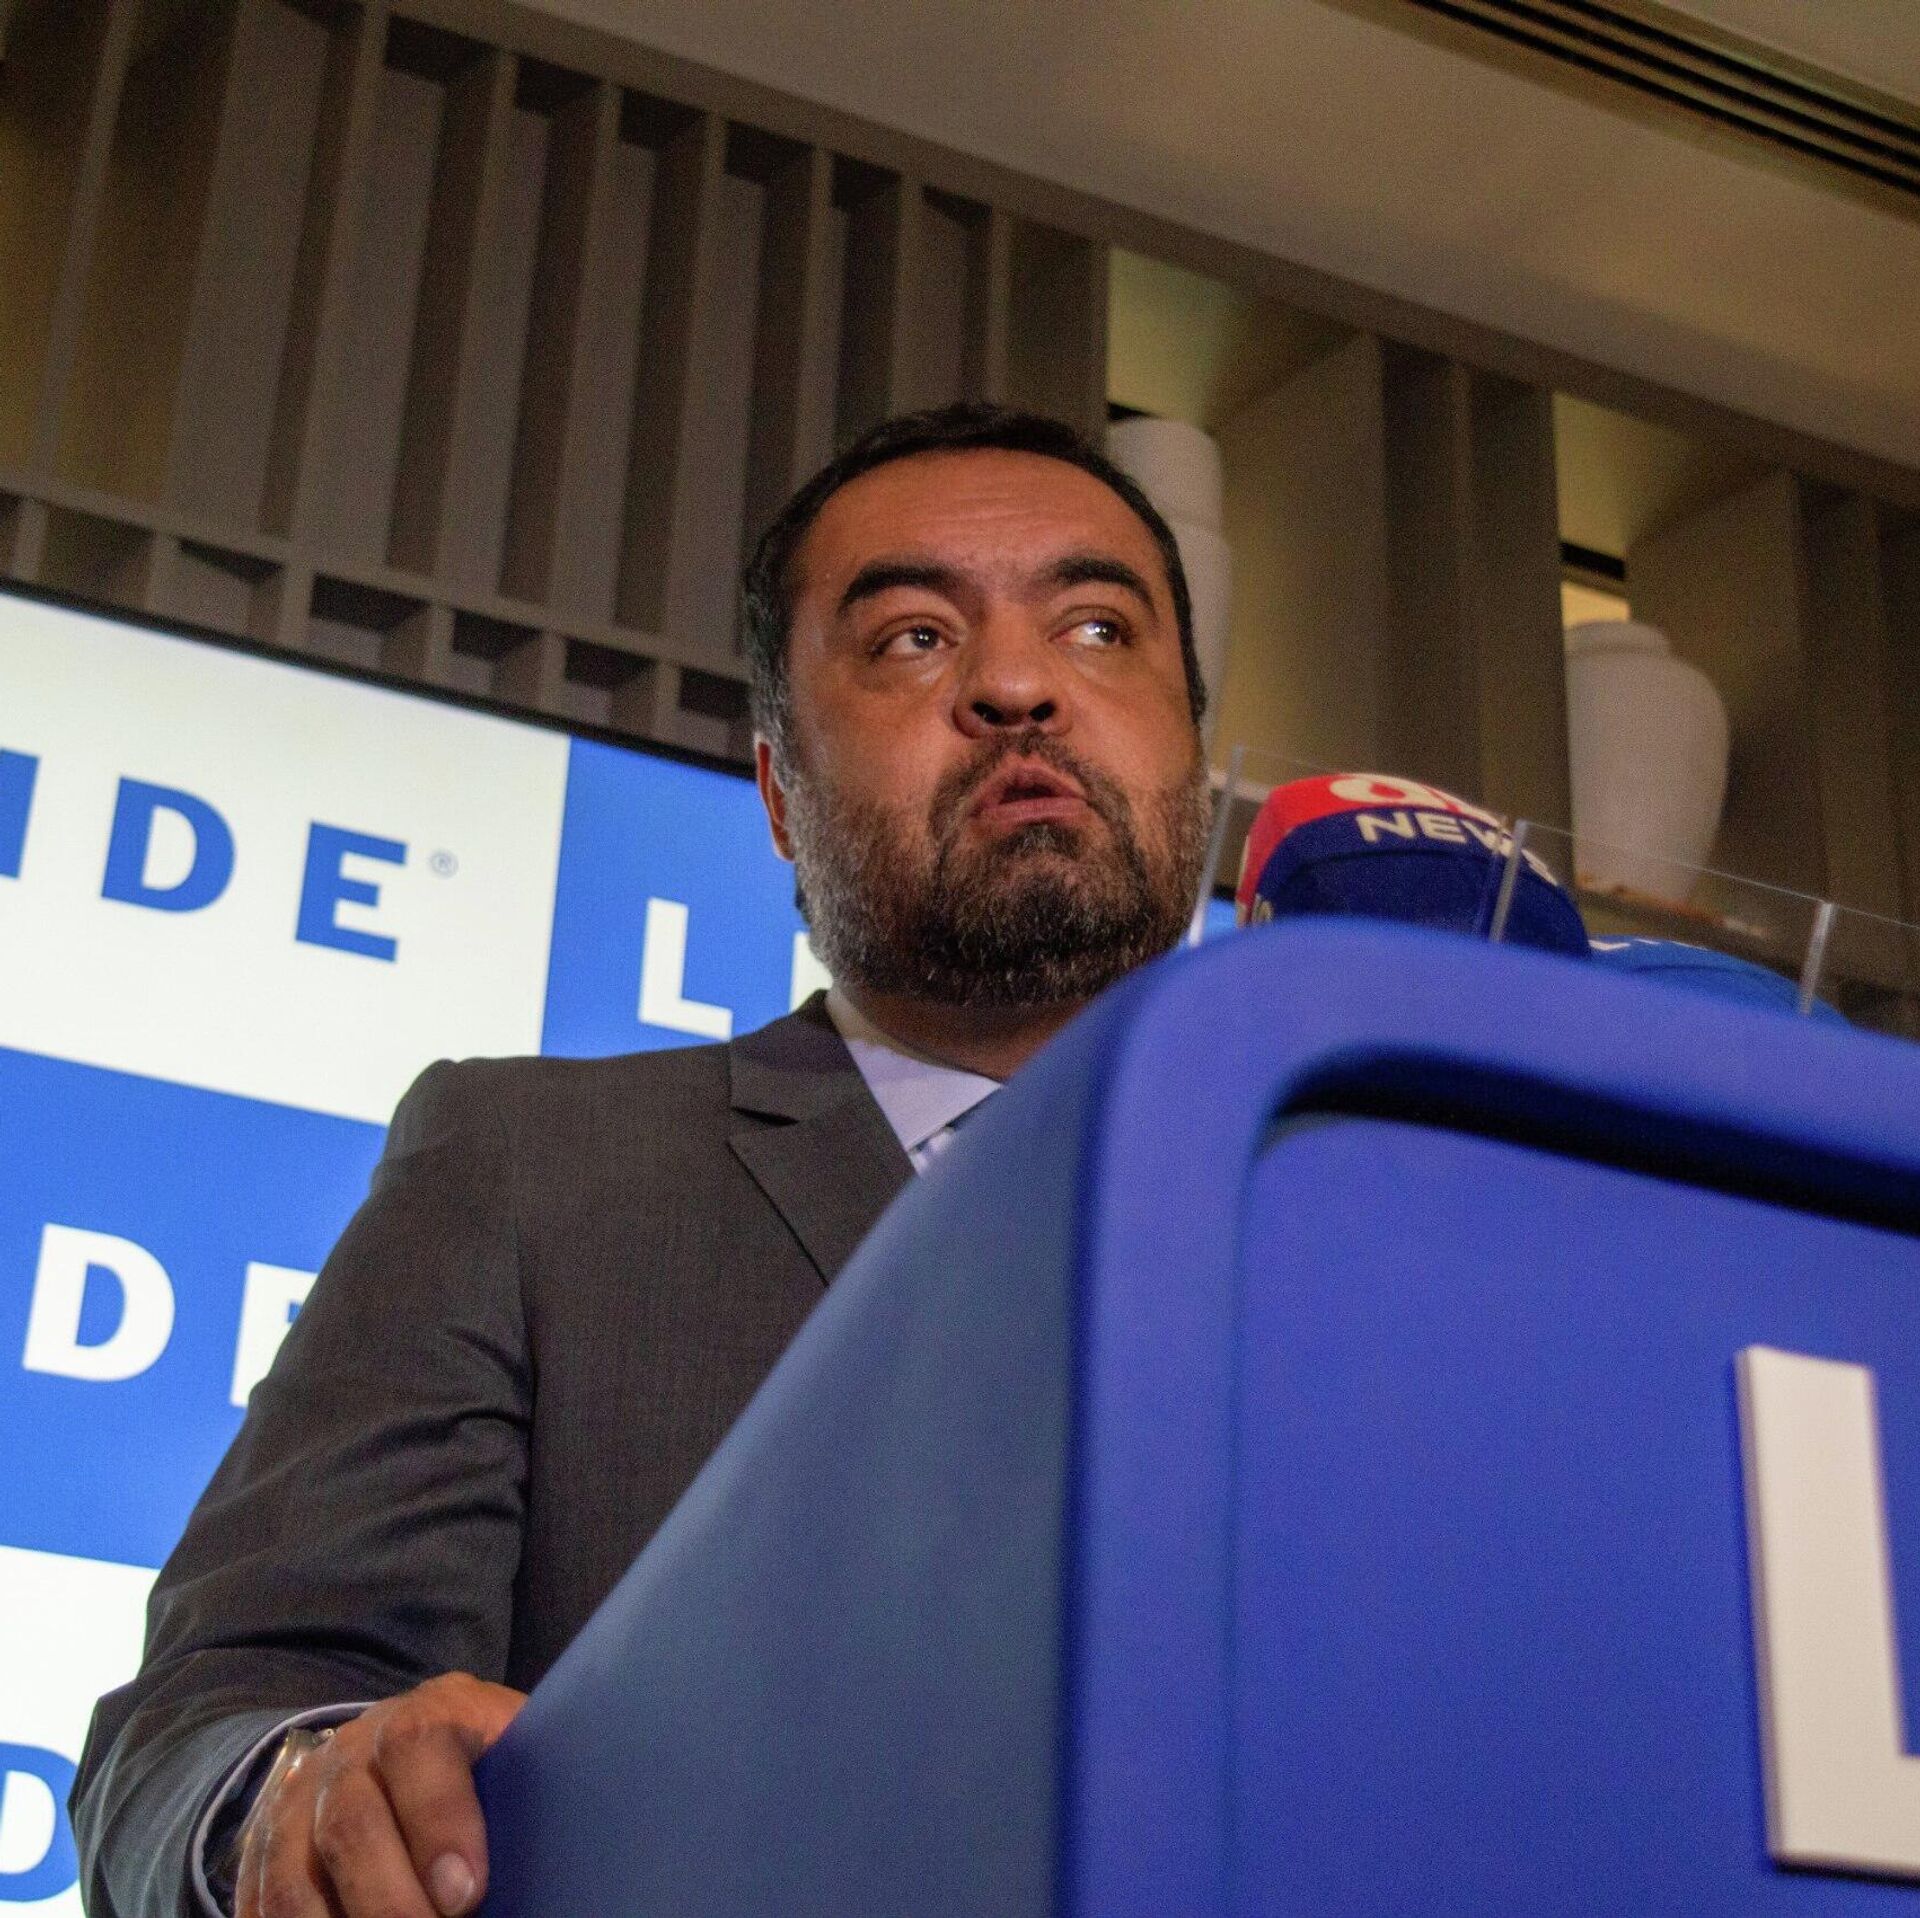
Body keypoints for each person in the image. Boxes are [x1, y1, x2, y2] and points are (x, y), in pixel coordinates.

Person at [72, 402, 1214, 1918]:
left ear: (1197, 756)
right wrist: (296, 1797)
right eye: (915, 639)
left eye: (1096, 627)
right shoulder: (529, 1167)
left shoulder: (1372, 1220)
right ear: (780, 797)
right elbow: (210, 1723)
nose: (1018, 685)